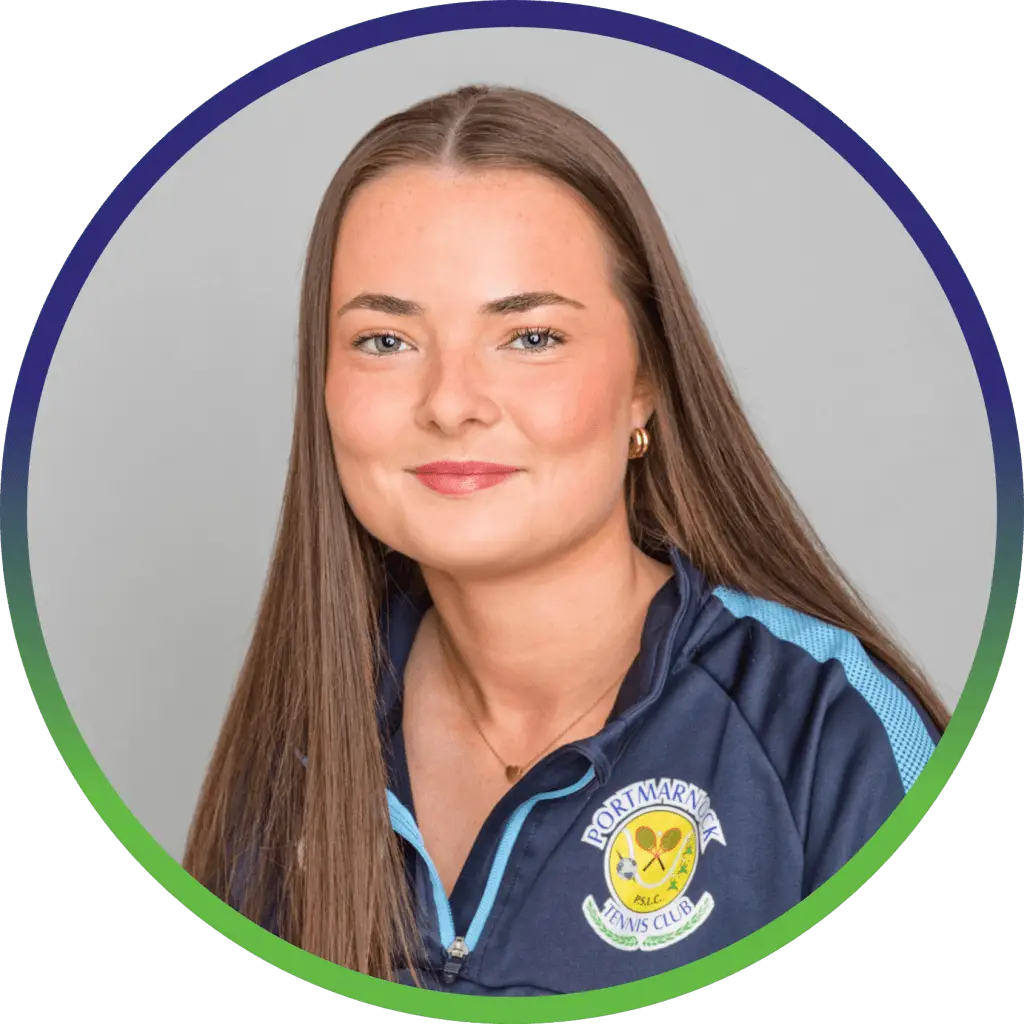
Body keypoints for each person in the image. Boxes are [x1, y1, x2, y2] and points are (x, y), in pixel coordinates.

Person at [182, 84, 945, 996]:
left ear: (645, 383)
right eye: (385, 341)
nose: (451, 402)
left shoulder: (826, 733)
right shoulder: (296, 747)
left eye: (530, 336)